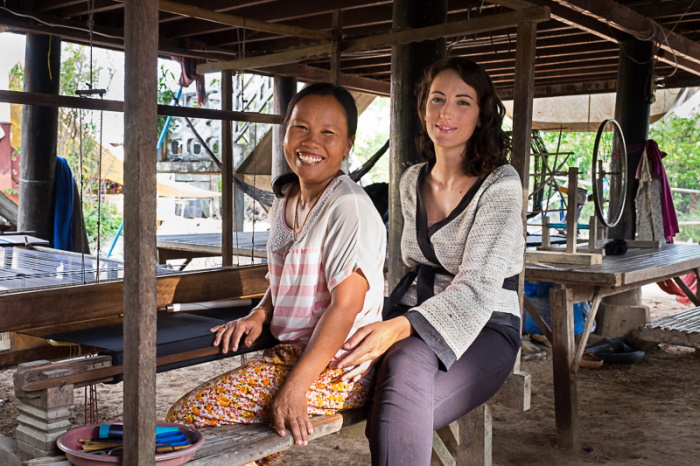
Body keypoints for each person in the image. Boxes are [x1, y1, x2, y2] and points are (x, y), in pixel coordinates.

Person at [166, 82, 387, 452]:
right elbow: (287, 276)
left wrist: (296, 388)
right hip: (291, 356)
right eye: (300, 127)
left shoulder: (348, 207)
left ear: (348, 144)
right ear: (285, 133)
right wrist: (260, 312)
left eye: (328, 133)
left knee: (187, 420)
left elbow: (346, 306)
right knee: (235, 442)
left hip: (338, 369)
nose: (311, 141)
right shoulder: (286, 200)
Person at [332, 57, 524, 465]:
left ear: (482, 115)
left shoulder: (501, 184)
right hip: (413, 311)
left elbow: (478, 287)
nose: (445, 112)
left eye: (462, 102)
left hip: (486, 324)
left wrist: (396, 328)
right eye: (437, 99)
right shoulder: (411, 180)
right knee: (352, 365)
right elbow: (406, 265)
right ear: (422, 108)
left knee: (400, 375)